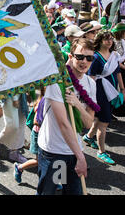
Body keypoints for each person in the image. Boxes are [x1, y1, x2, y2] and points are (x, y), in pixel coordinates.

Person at [37, 38, 96, 195]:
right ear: (70, 56)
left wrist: (77, 104)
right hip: (55, 152)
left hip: (73, 151)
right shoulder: (57, 82)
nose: (84, 61)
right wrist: (81, 157)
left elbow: (89, 123)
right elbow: (63, 124)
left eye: (89, 58)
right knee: (49, 192)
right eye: (80, 57)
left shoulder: (91, 85)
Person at [83, 30, 124, 165]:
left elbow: (118, 72)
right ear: (100, 41)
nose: (109, 41)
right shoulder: (95, 57)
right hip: (100, 92)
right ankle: (101, 152)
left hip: (112, 91)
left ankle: (89, 137)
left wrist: (122, 89)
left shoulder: (113, 55)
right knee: (104, 122)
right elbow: (91, 78)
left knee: (101, 118)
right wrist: (91, 97)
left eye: (111, 39)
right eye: (106, 39)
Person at [0, 94, 29, 163]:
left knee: (21, 123)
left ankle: (14, 152)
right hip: (10, 94)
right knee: (13, 125)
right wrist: (15, 98)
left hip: (23, 92)